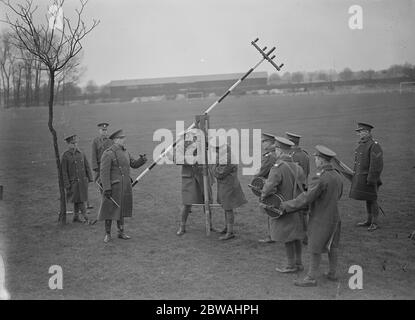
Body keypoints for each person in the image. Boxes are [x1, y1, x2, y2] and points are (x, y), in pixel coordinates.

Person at [280, 145, 343, 287]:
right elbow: (338, 195)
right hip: (335, 217)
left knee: (314, 248)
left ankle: (310, 278)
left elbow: (307, 198)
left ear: (321, 160)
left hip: (320, 218)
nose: (315, 160)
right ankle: (332, 273)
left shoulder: (320, 177)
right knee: (333, 246)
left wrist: (286, 205)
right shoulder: (337, 175)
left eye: (316, 157)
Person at [261, 137, 306, 272]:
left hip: (282, 207)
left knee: (287, 237)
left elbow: (269, 188)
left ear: (280, 151)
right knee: (296, 236)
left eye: (277, 150)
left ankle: (290, 265)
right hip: (296, 206)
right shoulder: (298, 167)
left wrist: (263, 195)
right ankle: (299, 263)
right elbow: (304, 186)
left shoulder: (278, 167)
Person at [97, 129, 147, 243]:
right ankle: (108, 234)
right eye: (122, 138)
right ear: (116, 140)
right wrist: (107, 188)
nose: (124, 140)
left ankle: (121, 232)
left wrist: (141, 160)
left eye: (124, 138)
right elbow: (104, 173)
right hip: (113, 188)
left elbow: (133, 164)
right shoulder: (108, 153)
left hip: (124, 187)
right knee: (109, 211)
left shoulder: (125, 152)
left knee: (121, 210)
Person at [166, 129, 215, 236]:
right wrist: (193, 159)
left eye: (195, 136)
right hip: (189, 177)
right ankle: (182, 226)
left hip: (203, 176)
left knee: (207, 201)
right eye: (191, 136)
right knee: (187, 203)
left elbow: (211, 154)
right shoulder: (181, 146)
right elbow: (178, 160)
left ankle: (209, 224)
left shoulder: (203, 144)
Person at [211, 136, 247, 240]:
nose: (214, 150)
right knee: (226, 208)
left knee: (228, 208)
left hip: (228, 186)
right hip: (226, 185)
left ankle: (230, 232)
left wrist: (211, 166)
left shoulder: (226, 157)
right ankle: (227, 228)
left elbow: (219, 173)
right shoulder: (224, 154)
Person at [349, 122, 383, 231]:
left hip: (370, 178)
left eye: (361, 132)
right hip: (363, 178)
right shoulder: (362, 144)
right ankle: (368, 220)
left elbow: (376, 165)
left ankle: (375, 222)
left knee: (372, 199)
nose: (359, 134)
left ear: (367, 132)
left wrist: (372, 179)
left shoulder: (374, 145)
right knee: (368, 199)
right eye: (358, 132)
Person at [61, 134, 93, 223]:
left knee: (78, 199)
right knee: (80, 200)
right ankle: (87, 218)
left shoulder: (81, 153)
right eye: (72, 143)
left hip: (82, 181)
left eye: (76, 143)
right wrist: (66, 184)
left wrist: (90, 177)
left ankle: (76, 217)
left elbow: (87, 166)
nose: (75, 145)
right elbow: (64, 172)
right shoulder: (65, 156)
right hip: (73, 183)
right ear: (68, 144)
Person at [286, 132, 311, 245]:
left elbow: (292, 173)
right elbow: (307, 171)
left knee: (297, 213)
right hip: (305, 186)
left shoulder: (292, 156)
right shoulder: (304, 154)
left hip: (296, 188)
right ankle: (306, 235)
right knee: (304, 213)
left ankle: (302, 235)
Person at [253, 132, 277, 243]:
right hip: (275, 185)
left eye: (264, 141)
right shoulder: (274, 153)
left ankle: (271, 236)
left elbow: (262, 171)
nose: (262, 143)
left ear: (270, 142)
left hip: (269, 186)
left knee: (270, 211)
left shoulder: (269, 156)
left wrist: (256, 174)